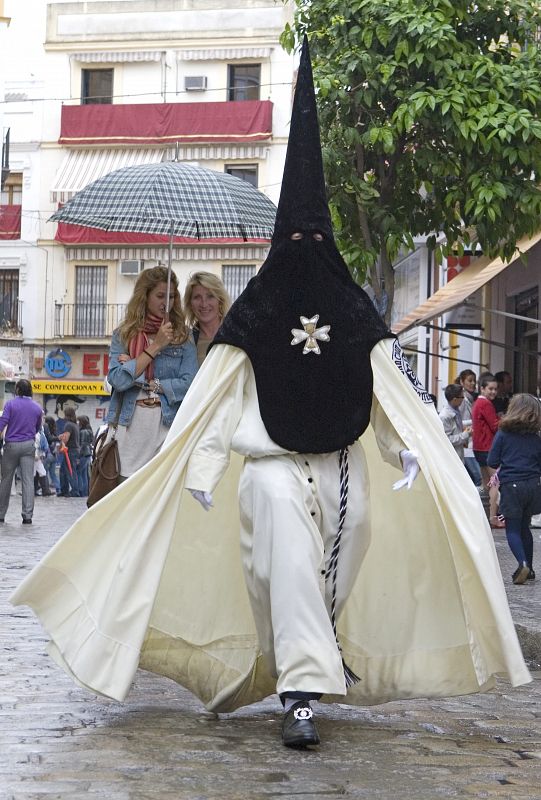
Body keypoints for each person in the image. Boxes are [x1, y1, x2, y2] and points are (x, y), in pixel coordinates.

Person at [10, 38, 530, 752]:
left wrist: (402, 449)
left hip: (344, 471)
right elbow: (221, 402)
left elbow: (379, 389)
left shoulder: (350, 311)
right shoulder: (251, 318)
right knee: (284, 562)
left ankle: (311, 665)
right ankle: (299, 692)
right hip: (271, 472)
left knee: (329, 576)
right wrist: (197, 471)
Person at [106, 265, 198, 479]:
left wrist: (145, 378)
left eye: (172, 296)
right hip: (130, 427)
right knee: (126, 496)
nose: (166, 302)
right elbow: (117, 380)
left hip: (166, 425)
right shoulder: (124, 335)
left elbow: (190, 384)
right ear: (145, 296)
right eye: (160, 295)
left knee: (158, 496)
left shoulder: (182, 336)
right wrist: (156, 345)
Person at [488, 394, 541, 584]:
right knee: (525, 527)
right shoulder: (536, 438)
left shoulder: (503, 434)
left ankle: (523, 563)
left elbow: (492, 461)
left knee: (512, 529)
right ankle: (532, 569)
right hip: (533, 487)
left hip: (512, 486)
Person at [0, 379, 43, 524]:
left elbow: (3, 422)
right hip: (28, 445)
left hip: (11, 445)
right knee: (27, 480)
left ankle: (1, 514)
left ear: (17, 389)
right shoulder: (37, 407)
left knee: (6, 480)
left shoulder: (10, 404)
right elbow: (38, 428)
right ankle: (27, 515)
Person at [472, 373, 502, 527]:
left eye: (495, 389)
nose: (493, 392)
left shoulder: (477, 402)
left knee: (486, 484)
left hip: (479, 448)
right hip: (488, 448)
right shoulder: (486, 404)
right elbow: (495, 426)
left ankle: (484, 517)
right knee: (495, 483)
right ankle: (492, 518)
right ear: (482, 388)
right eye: (490, 388)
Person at [183, 271, 231, 366]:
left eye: (210, 296)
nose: (204, 304)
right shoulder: (187, 342)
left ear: (220, 300)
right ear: (190, 303)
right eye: (197, 297)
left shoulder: (236, 334)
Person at [455, 369, 482, 488]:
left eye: (474, 381)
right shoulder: (462, 400)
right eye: (469, 381)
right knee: (477, 478)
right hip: (464, 443)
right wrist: (474, 423)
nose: (472, 384)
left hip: (471, 443)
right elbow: (458, 422)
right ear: (462, 382)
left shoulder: (472, 399)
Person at [439, 384, 471, 462]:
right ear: (455, 399)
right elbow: (447, 440)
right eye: (462, 397)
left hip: (459, 454)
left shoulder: (456, 410)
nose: (463, 399)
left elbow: (457, 428)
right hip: (450, 459)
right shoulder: (445, 416)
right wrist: (465, 435)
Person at [58, 406, 80, 497]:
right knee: (63, 470)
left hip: (70, 451)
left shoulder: (68, 425)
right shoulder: (75, 425)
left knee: (70, 471)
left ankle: (74, 491)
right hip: (75, 450)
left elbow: (66, 438)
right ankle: (64, 490)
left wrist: (61, 438)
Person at [76, 416, 93, 497]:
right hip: (87, 454)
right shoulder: (89, 430)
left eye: (78, 421)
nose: (77, 422)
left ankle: (81, 491)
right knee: (84, 474)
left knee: (79, 472)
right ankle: (85, 492)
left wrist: (78, 457)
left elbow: (81, 445)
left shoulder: (83, 432)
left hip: (83, 454)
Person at [43, 415, 61, 495]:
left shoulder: (45, 430)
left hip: (48, 454)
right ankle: (58, 488)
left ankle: (46, 489)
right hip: (54, 455)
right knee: (53, 474)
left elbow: (48, 440)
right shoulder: (54, 432)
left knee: (44, 473)